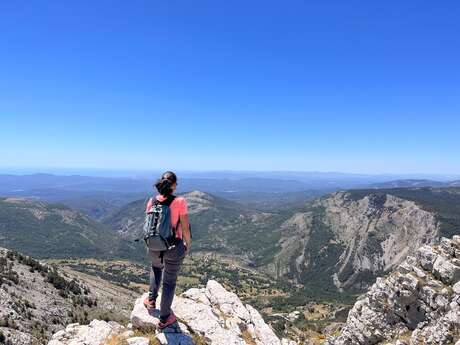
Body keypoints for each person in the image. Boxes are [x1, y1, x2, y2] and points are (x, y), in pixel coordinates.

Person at [143, 171, 192, 329]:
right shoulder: (180, 201)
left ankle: (151, 300)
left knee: (156, 268)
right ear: (173, 185)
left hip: (153, 246)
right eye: (177, 183)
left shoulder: (151, 201)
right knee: (169, 282)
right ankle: (164, 318)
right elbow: (185, 227)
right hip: (173, 247)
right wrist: (187, 245)